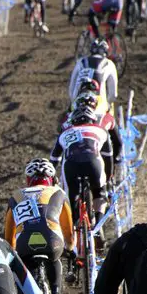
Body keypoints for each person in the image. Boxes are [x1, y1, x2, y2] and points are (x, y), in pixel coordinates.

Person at [5, 158, 75, 294]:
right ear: (51, 178)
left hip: (24, 243)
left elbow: (9, 235)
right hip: (52, 240)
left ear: (28, 179)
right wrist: (70, 249)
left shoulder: (16, 196)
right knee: (54, 259)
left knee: (23, 271)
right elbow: (68, 230)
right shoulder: (58, 193)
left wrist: (12, 255)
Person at [50, 102, 114, 249]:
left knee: (71, 199)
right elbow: (108, 156)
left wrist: (52, 180)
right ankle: (98, 228)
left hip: (71, 165)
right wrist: (108, 178)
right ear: (92, 119)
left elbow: (54, 159)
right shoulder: (100, 130)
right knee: (99, 193)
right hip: (93, 163)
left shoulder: (65, 132)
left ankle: (70, 243)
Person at [68, 37, 118, 111]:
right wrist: (109, 103)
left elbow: (72, 87)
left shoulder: (81, 62)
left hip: (78, 104)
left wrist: (73, 102)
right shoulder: (109, 64)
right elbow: (113, 94)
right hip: (99, 105)